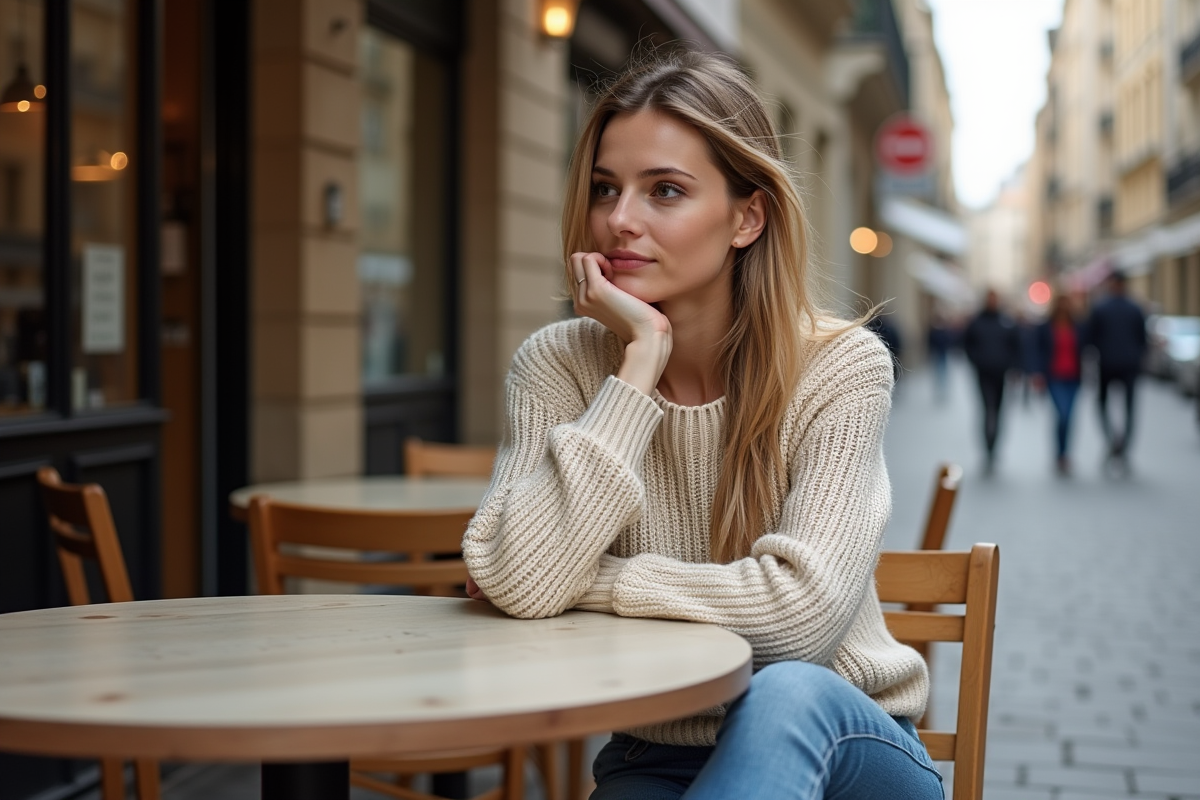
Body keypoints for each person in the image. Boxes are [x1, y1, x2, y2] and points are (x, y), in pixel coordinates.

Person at [461, 50, 940, 800]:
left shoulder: (839, 367)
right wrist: (639, 364)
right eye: (605, 189)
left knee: (784, 695)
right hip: (657, 754)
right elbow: (520, 579)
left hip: (846, 746)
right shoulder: (558, 364)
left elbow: (797, 626)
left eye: (666, 191)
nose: (620, 220)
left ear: (747, 217)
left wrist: (595, 582)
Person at [1085, 270, 1147, 472]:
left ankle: (1115, 442)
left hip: (1109, 364)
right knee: (1128, 408)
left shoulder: (1102, 308)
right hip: (1126, 365)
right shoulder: (1134, 308)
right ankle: (1120, 445)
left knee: (1105, 405)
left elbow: (1090, 338)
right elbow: (1142, 340)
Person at [963, 289, 1020, 472]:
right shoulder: (977, 321)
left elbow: (1016, 345)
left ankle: (994, 446)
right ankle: (987, 446)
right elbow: (966, 343)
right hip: (983, 373)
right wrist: (976, 360)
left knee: (998, 410)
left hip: (1001, 374)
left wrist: (1013, 366)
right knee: (988, 410)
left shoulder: (1006, 321)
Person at [1034, 293, 1085, 475]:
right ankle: (1060, 453)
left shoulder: (1078, 327)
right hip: (1054, 376)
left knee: (1069, 417)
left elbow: (1085, 348)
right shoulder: (1045, 327)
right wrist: (1037, 374)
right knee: (1062, 414)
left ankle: (1064, 454)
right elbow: (1038, 350)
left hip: (1073, 377)